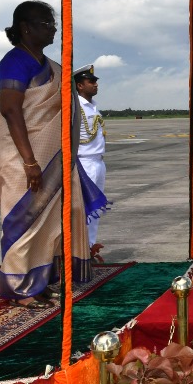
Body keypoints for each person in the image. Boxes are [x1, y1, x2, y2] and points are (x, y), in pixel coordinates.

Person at [0, 0, 94, 309]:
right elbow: (11, 110)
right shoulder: (15, 61)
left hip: (48, 157)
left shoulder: (50, 66)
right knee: (22, 219)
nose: (53, 29)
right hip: (21, 155)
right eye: (47, 24)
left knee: (49, 221)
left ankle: (37, 282)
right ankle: (19, 287)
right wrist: (29, 161)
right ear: (26, 28)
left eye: (53, 24)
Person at [75, 64, 108, 255]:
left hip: (98, 161)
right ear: (80, 85)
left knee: (96, 207)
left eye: (95, 81)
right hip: (84, 162)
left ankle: (89, 247)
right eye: (91, 81)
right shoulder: (76, 106)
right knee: (84, 208)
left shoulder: (93, 106)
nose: (95, 84)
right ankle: (80, 250)